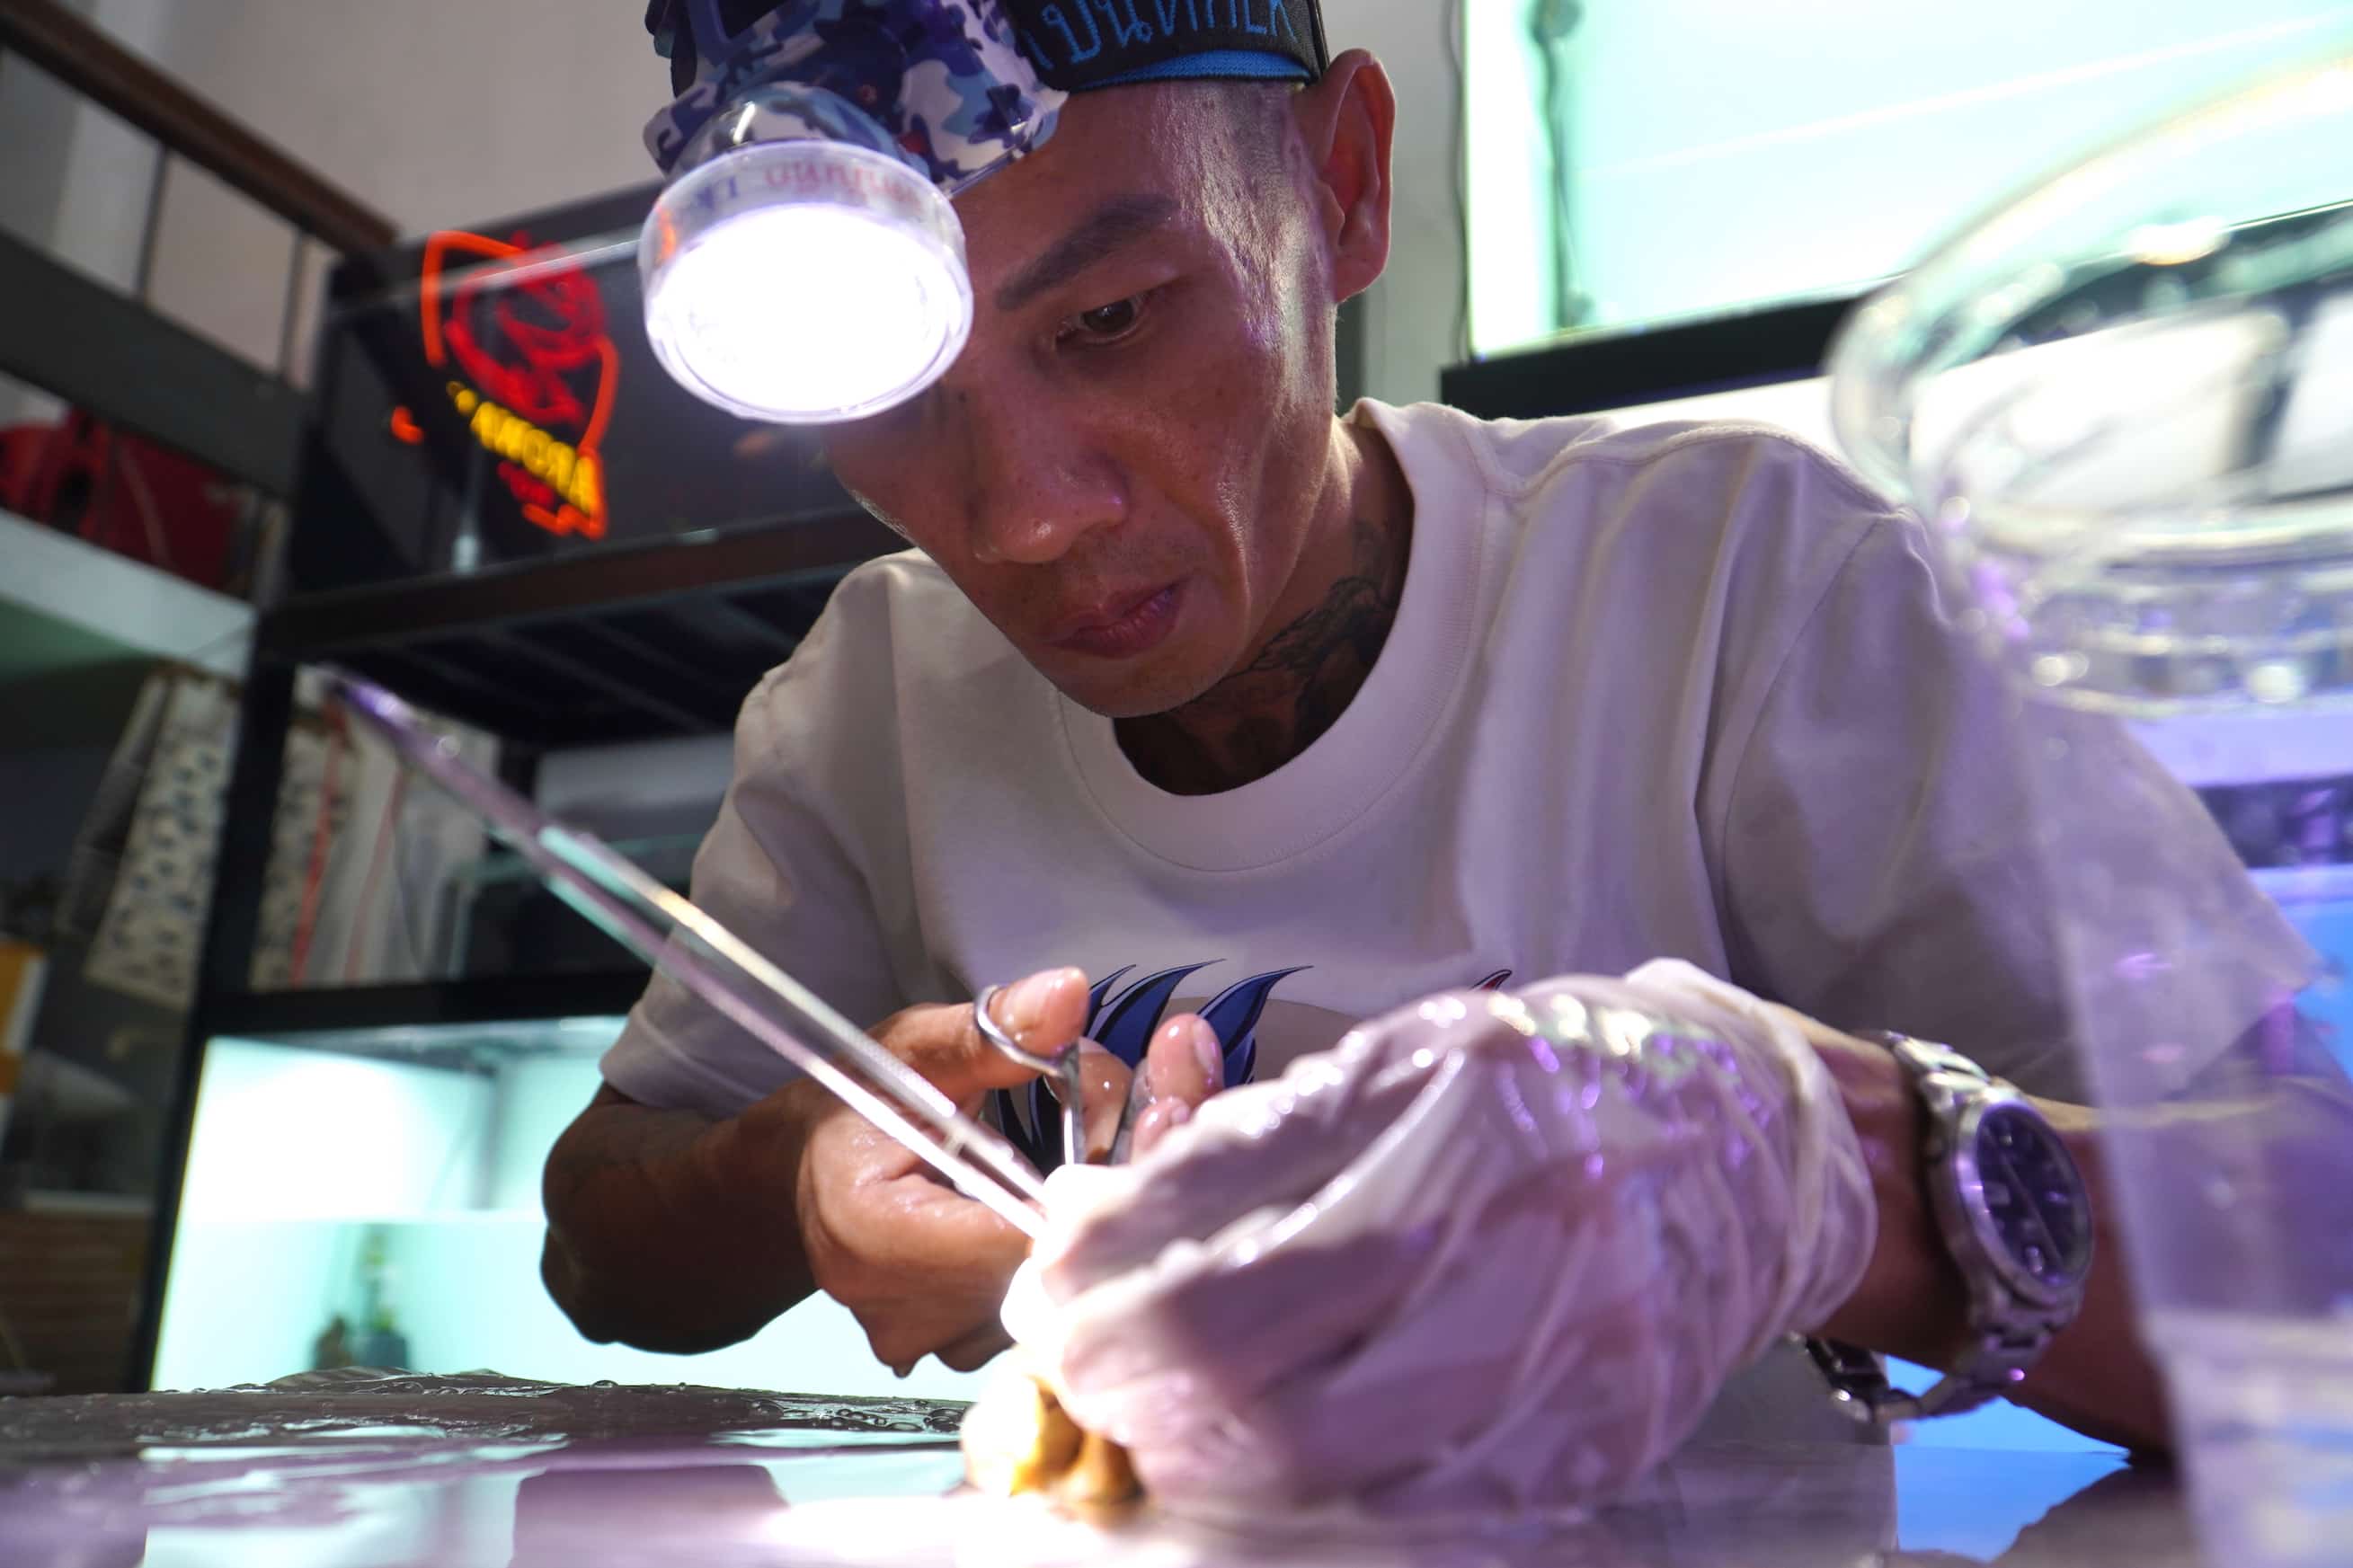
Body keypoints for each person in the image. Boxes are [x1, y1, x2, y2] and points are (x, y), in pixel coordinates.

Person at [542, 0, 2331, 1460]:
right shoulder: (873, 699)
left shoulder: (1736, 587)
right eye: (898, 392)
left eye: (1108, 321)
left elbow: (2308, 1245)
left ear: (1344, 183)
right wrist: (796, 1167)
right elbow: (598, 1240)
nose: (1023, 518)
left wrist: (1811, 1167)